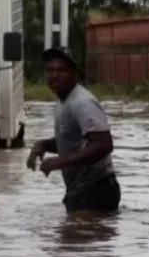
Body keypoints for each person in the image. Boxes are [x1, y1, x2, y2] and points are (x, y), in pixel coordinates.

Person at [27, 46, 119, 214]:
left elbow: (104, 144)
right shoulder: (64, 100)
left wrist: (60, 162)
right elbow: (73, 140)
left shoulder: (81, 102)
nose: (55, 75)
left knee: (79, 238)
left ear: (74, 73)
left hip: (95, 189)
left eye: (62, 70)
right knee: (72, 238)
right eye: (50, 70)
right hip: (80, 190)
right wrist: (43, 145)